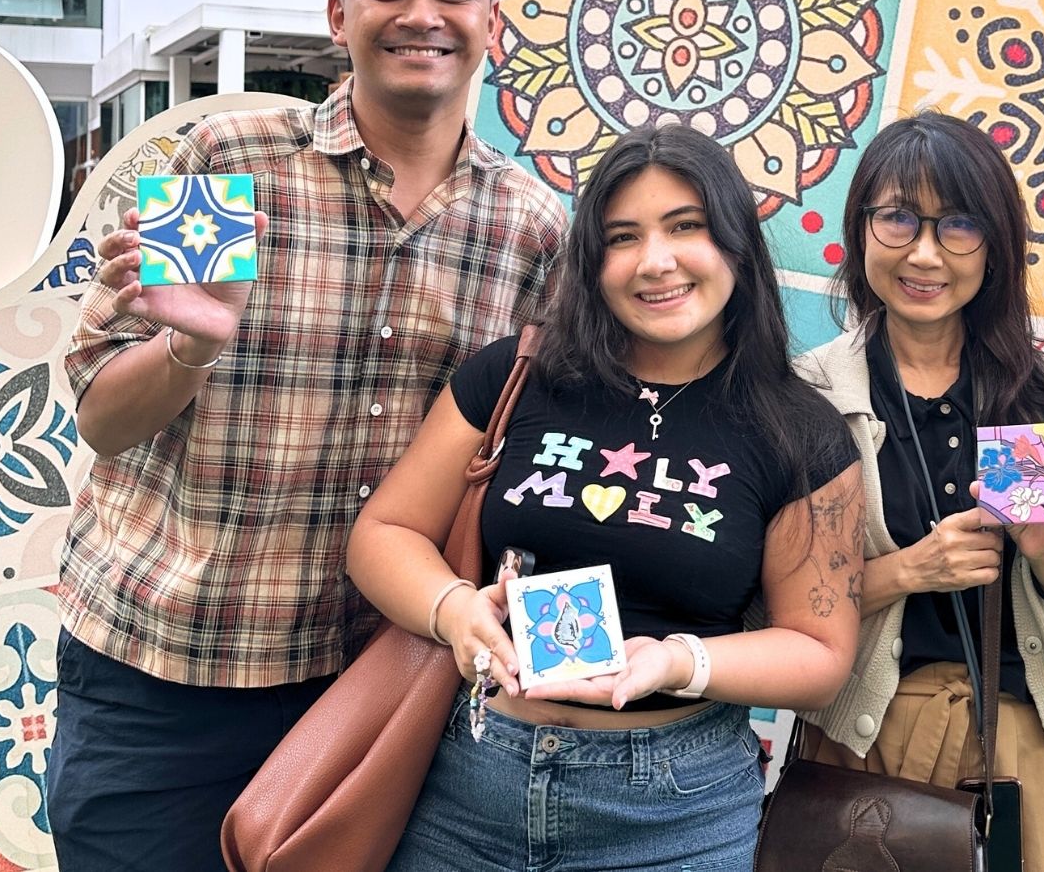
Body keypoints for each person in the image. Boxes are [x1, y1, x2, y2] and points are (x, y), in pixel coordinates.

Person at [47, 0, 567, 870]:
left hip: (373, 689)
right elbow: (104, 420)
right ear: (339, 16)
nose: (421, 15)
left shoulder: (530, 231)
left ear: (491, 24)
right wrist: (190, 348)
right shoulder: (227, 162)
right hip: (162, 678)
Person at [346, 123, 865, 872]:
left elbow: (819, 652)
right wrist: (453, 610)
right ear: (592, 261)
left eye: (685, 226)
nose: (655, 262)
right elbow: (384, 533)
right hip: (468, 786)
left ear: (737, 243)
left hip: (675, 811)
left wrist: (676, 660)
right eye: (623, 238)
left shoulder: (799, 430)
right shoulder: (517, 375)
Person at [795, 111, 1044, 871]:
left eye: (959, 225)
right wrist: (910, 571)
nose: (924, 253)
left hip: (1015, 748)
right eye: (897, 218)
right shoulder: (813, 395)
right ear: (860, 227)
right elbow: (771, 606)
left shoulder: (1036, 395)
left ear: (995, 245)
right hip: (861, 740)